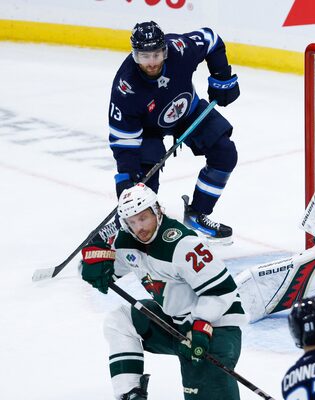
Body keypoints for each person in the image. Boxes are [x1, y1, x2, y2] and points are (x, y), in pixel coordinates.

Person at [80, 183, 246, 399]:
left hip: (216, 327)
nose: (139, 228)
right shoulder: (127, 242)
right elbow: (105, 274)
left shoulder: (183, 244)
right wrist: (93, 262)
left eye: (143, 218)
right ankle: (130, 394)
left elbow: (222, 289)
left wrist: (201, 324)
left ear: (157, 210)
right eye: (132, 222)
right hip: (176, 323)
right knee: (120, 320)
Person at [108, 21, 240, 243]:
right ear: (135, 55)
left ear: (165, 50)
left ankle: (197, 213)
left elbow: (211, 40)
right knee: (142, 185)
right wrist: (127, 179)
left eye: (157, 55)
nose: (152, 63)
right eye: (144, 57)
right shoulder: (126, 87)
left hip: (188, 111)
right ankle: (137, 227)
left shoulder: (180, 49)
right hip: (148, 130)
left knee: (225, 152)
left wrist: (222, 77)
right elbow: (123, 141)